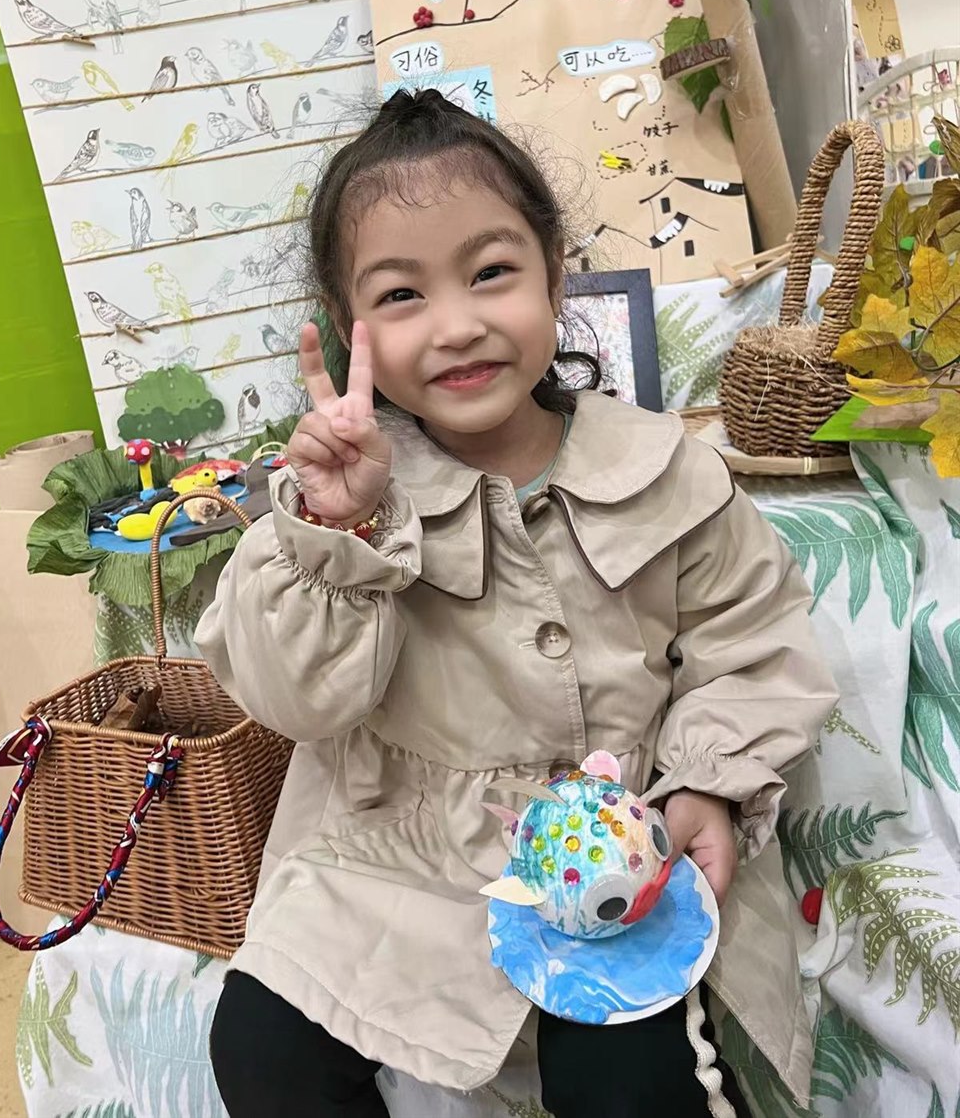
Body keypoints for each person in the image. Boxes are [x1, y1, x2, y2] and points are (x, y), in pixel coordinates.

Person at [198, 88, 837, 1117]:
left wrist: (707, 783)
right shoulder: (332, 503)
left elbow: (751, 646)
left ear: (555, 272)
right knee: (260, 1044)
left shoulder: (666, 469)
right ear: (349, 327)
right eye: (401, 295)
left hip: (618, 851)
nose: (456, 326)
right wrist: (341, 535)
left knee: (627, 1083)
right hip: (394, 860)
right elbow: (294, 700)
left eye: (491, 272)